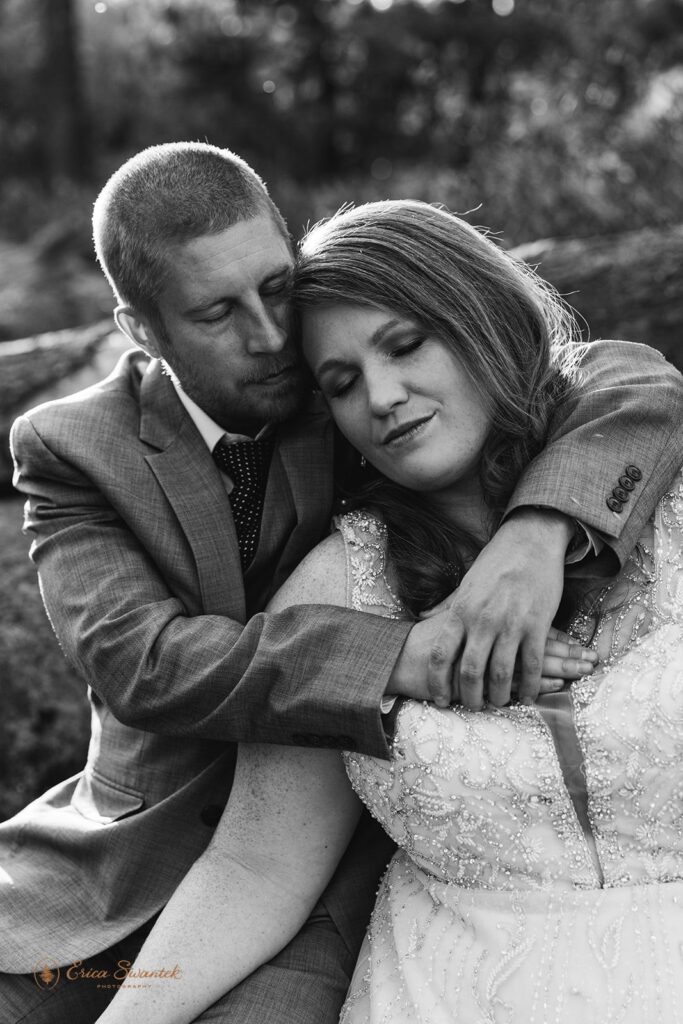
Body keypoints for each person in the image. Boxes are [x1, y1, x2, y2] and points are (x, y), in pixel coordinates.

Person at [0, 143, 679, 1024]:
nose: (269, 335)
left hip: (337, 863)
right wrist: (406, 655)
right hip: (143, 848)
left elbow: (619, 375)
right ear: (142, 330)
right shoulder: (76, 449)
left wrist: (536, 532)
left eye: (276, 288)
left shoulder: (343, 365)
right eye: (216, 312)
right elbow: (144, 664)